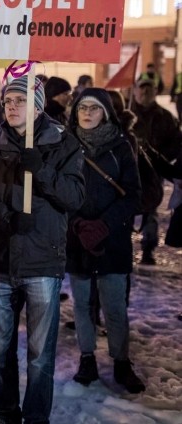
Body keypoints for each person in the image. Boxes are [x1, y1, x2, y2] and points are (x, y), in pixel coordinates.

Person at [0, 76, 85, 424]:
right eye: (8, 101)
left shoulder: (64, 144)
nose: (12, 107)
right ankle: (5, 415)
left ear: (37, 105)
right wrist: (5, 217)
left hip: (42, 262)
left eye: (20, 101)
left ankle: (36, 418)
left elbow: (75, 197)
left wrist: (44, 171)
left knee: (39, 355)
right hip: (1, 260)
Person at [66, 89, 146, 394]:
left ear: (106, 113)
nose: (87, 113)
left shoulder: (121, 147)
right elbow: (59, 190)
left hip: (112, 239)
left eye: (94, 108)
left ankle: (121, 361)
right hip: (77, 238)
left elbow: (133, 195)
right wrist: (77, 224)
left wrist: (103, 224)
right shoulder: (65, 145)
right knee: (83, 304)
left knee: (114, 305)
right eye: (82, 107)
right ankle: (87, 358)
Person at [131, 76, 182, 264]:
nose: (145, 93)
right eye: (142, 89)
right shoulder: (128, 114)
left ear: (155, 92)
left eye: (149, 89)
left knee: (151, 209)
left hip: (154, 172)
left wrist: (160, 158)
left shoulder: (165, 117)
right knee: (125, 209)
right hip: (130, 171)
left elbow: (177, 142)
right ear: (135, 90)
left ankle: (148, 248)